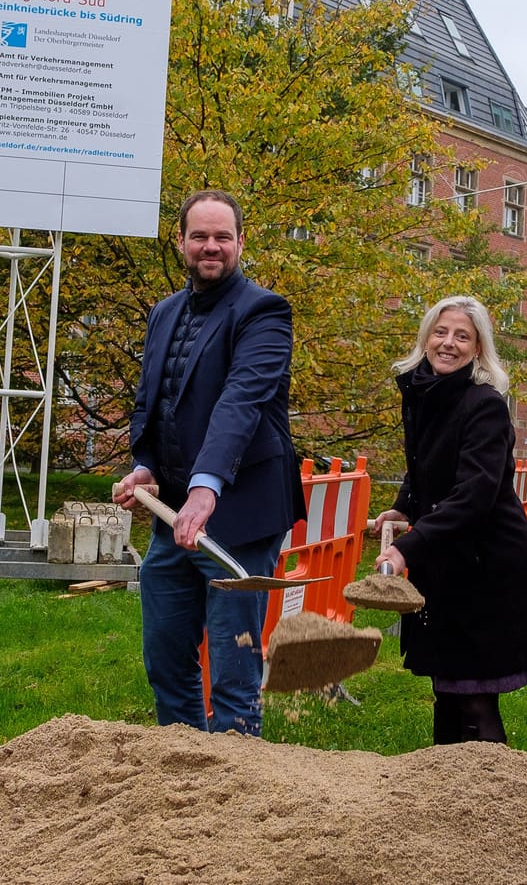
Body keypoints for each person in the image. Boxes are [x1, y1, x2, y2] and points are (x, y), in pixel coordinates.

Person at [113, 191, 302, 736]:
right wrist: (145, 465)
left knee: (234, 670)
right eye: (200, 236)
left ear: (241, 242)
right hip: (173, 516)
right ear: (181, 242)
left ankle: (236, 794)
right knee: (166, 661)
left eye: (222, 236)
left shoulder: (264, 312)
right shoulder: (164, 312)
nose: (211, 246)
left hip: (239, 516)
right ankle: (182, 774)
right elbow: (152, 402)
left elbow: (240, 401)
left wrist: (206, 486)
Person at [373, 296, 527, 746]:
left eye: (462, 336)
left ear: (479, 348)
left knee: (474, 695)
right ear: (426, 338)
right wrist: (404, 506)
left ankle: (494, 803)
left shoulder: (483, 405)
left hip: (486, 565)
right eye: (441, 332)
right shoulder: (422, 392)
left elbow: (475, 494)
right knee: (447, 688)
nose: (449, 343)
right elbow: (424, 463)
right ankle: (448, 801)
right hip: (447, 558)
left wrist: (406, 547)